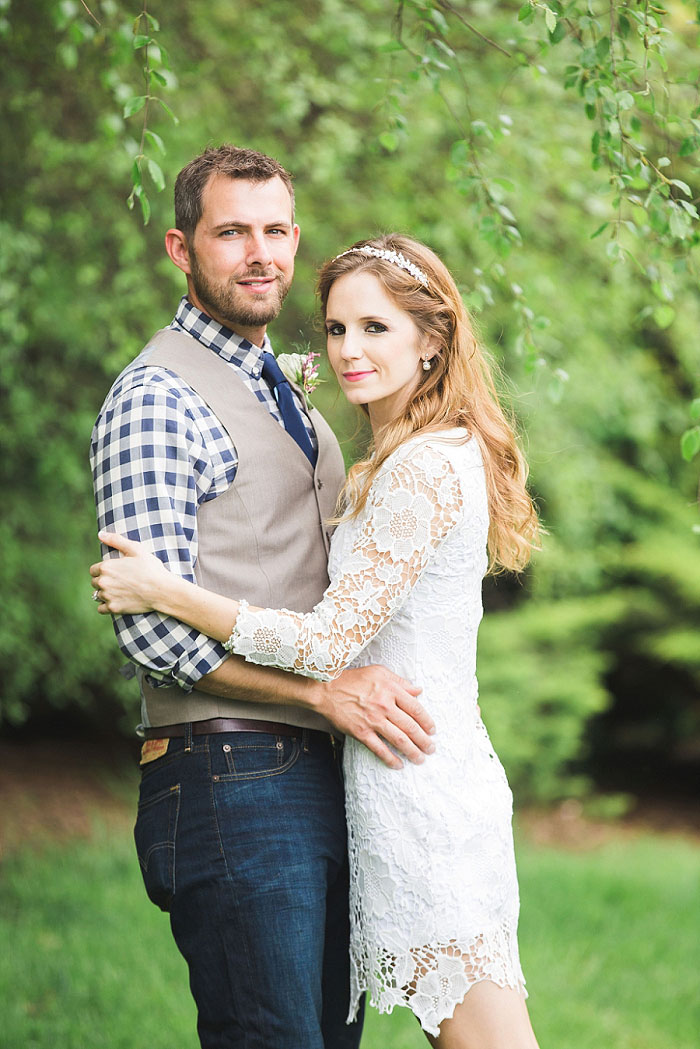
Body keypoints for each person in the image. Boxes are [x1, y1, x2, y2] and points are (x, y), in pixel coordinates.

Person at [91, 232, 542, 1049]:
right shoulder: (403, 453)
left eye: (375, 327)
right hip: (392, 773)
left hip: (420, 782)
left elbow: (331, 641)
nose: (348, 351)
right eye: (336, 329)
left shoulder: (422, 468)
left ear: (431, 341)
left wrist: (170, 591)